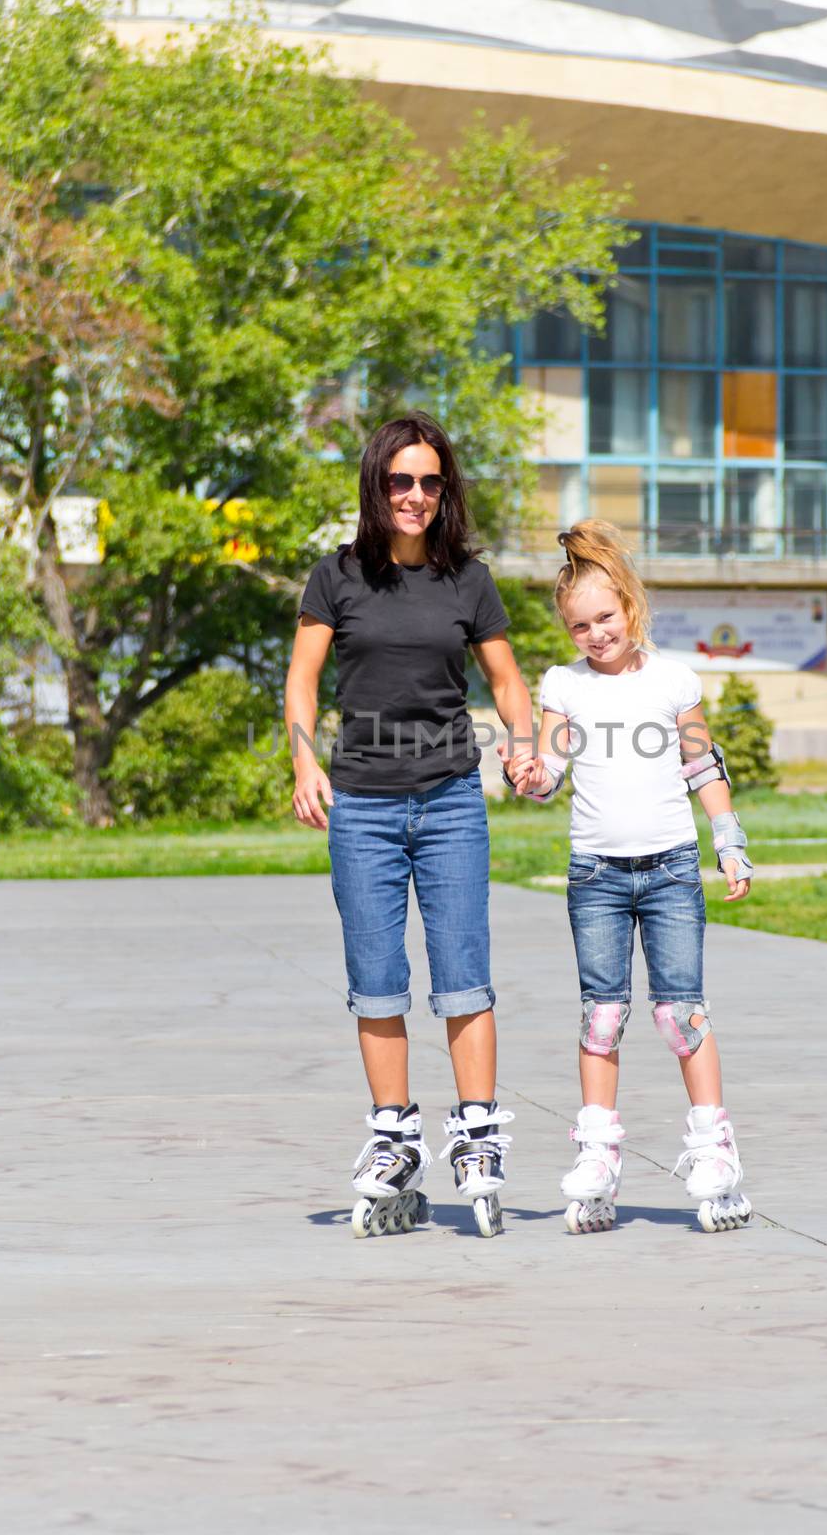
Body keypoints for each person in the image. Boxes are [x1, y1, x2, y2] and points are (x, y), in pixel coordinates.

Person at [286, 412, 536, 1239]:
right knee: (376, 975)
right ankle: (394, 1136)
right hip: (361, 804)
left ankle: (475, 1135)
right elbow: (302, 679)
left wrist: (525, 745)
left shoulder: (469, 580)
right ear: (376, 484)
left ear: (445, 490)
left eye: (430, 482)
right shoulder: (337, 577)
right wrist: (303, 761)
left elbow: (504, 680)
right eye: (400, 480)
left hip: (451, 801)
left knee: (464, 970)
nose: (416, 495)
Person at [514, 520, 755, 1235]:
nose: (593, 634)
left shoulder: (674, 678)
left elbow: (700, 766)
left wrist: (728, 840)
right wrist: (528, 774)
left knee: (680, 1015)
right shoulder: (562, 685)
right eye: (578, 625)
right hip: (595, 875)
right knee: (602, 1016)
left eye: (604, 618)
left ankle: (714, 1151)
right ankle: (596, 1156)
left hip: (672, 870)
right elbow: (550, 770)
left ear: (630, 606)